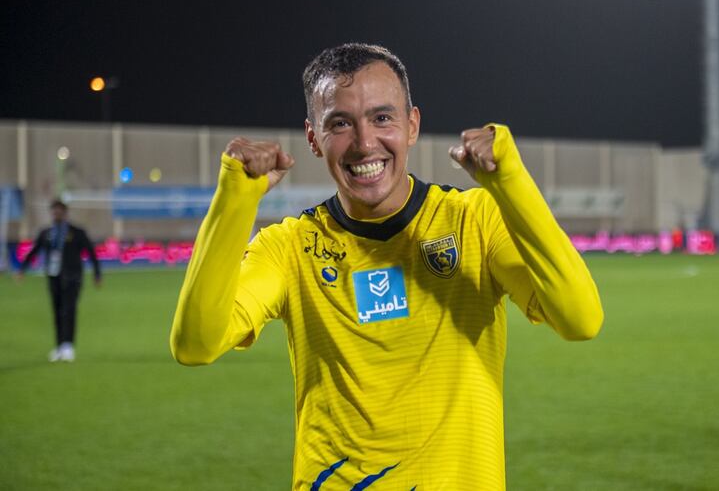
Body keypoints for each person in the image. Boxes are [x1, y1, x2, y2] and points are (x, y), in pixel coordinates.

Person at [170, 43, 603, 489]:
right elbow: (195, 345)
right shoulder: (289, 247)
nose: (364, 143)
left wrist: (508, 180)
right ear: (313, 138)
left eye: (382, 118)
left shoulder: (473, 221)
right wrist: (235, 201)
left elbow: (580, 318)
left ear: (412, 124)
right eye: (340, 123)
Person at [17, 199, 101, 362]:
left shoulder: (76, 232)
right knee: (56, 311)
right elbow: (34, 251)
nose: (57, 214)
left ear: (65, 212)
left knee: (69, 310)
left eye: (59, 211)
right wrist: (22, 269)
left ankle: (68, 345)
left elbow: (91, 253)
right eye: (54, 211)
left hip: (72, 277)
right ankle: (58, 346)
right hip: (53, 276)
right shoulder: (47, 233)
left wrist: (97, 274)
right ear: (52, 213)